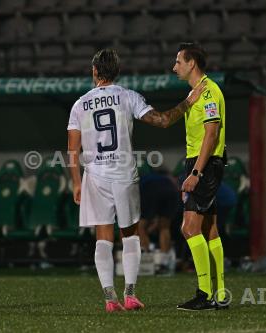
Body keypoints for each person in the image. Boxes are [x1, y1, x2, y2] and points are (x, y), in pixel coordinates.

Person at [67, 48, 204, 312]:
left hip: (95, 176)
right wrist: (188, 102)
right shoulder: (127, 97)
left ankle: (110, 299)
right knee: (130, 234)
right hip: (123, 175)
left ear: (95, 71)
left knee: (102, 237)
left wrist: (75, 182)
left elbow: (73, 151)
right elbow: (163, 120)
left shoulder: (80, 104)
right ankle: (130, 295)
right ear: (116, 73)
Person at [173, 42, 228, 311]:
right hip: (204, 162)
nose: (175, 67)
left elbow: (212, 133)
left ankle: (204, 294)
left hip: (204, 164)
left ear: (191, 63)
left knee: (189, 228)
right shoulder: (197, 92)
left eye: (178, 62)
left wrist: (196, 172)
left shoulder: (208, 92)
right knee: (209, 229)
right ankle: (220, 292)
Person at [138, 170, 180, 274]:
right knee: (164, 228)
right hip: (172, 191)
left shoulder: (141, 180)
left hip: (150, 190)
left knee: (140, 227)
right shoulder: (163, 178)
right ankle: (163, 263)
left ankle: (146, 260)